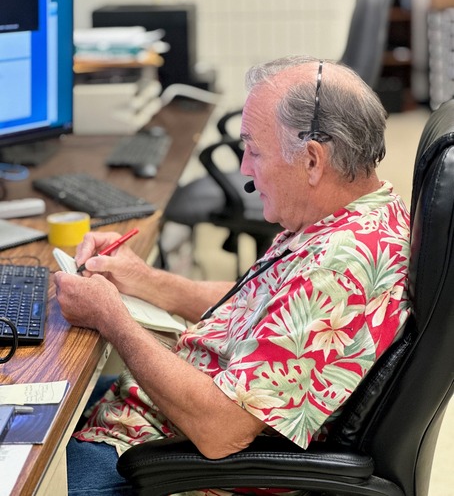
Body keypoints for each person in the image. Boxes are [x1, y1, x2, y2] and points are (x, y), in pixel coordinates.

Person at [54, 55, 412, 495]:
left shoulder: (338, 268)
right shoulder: (352, 214)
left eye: (255, 151)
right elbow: (266, 308)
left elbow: (221, 430)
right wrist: (143, 279)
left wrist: (112, 317)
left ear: (314, 161)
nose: (244, 168)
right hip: (154, 413)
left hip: (163, 459)